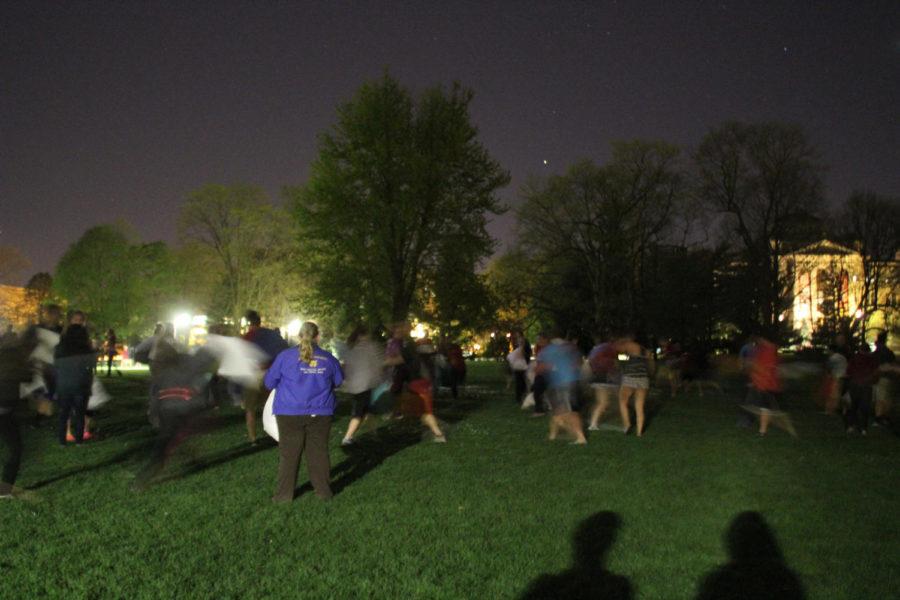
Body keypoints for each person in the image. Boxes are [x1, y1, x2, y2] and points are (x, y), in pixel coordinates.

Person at [265, 321, 343, 503]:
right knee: (318, 452)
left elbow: (269, 382)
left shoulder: (284, 357)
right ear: (318, 337)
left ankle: (284, 496)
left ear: (299, 336)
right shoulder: (328, 358)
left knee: (289, 455)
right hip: (320, 411)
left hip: (289, 411)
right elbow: (338, 381)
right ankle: (324, 491)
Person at [241, 310, 288, 445]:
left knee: (250, 409)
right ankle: (275, 432)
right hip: (269, 375)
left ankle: (253, 439)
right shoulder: (272, 335)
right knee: (270, 405)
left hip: (252, 376)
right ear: (259, 322)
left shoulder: (247, 337)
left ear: (249, 324)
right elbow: (283, 350)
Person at [0, 333, 35, 499]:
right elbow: (28, 377)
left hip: (7, 411)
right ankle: (5, 490)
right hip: (4, 411)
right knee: (15, 449)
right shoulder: (16, 360)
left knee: (14, 448)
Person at [53, 312, 95, 446]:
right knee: (80, 413)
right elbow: (92, 364)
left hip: (64, 383)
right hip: (81, 383)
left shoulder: (60, 346)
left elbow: (56, 363)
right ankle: (79, 441)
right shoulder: (86, 347)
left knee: (63, 414)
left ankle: (62, 441)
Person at [539, 332, 587, 444]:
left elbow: (543, 367)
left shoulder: (549, 350)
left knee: (568, 412)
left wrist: (540, 369)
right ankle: (552, 436)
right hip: (568, 381)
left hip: (562, 383)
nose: (538, 342)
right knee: (557, 411)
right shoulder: (570, 348)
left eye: (540, 339)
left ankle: (580, 437)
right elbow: (579, 363)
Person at [341, 325, 384, 446]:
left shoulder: (351, 348)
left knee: (368, 410)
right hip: (364, 385)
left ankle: (373, 432)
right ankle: (347, 437)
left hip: (355, 385)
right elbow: (377, 364)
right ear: (363, 335)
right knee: (359, 413)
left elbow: (346, 366)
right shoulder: (369, 347)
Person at [616, 333, 654, 437]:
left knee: (622, 401)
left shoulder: (629, 345)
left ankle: (627, 424)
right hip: (643, 378)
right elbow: (651, 365)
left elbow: (618, 354)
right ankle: (639, 433)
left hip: (630, 377)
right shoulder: (646, 350)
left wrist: (624, 356)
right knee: (639, 407)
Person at [845, 341, 879, 435]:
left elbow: (848, 371)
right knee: (865, 408)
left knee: (853, 406)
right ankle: (863, 428)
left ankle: (850, 425)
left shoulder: (855, 358)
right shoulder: (872, 360)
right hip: (866, 386)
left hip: (855, 384)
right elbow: (875, 373)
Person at [587, 335, 620, 431]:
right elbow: (615, 363)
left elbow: (590, 361)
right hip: (605, 379)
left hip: (598, 377)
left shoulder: (597, 348)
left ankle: (593, 422)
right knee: (604, 402)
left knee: (603, 402)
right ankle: (593, 424)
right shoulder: (610, 348)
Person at [872, 331, 895, 426]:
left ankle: (878, 418)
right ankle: (884, 417)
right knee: (886, 398)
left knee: (880, 398)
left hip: (880, 377)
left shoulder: (879, 352)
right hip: (887, 377)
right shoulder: (888, 352)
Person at [508, 331, 531, 406]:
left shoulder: (523, 344)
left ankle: (520, 396)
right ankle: (520, 396)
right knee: (520, 381)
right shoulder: (519, 345)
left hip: (521, 365)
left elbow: (524, 353)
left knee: (521, 381)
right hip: (520, 365)